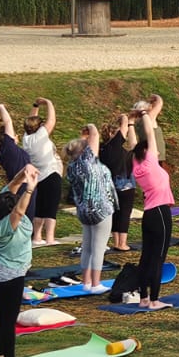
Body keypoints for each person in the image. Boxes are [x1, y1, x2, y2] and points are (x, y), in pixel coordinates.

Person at [122, 96, 174, 310]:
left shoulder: (137, 165)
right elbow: (151, 134)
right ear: (150, 153)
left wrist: (131, 122)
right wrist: (144, 115)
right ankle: (154, 300)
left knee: (147, 256)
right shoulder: (152, 160)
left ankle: (144, 297)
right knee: (158, 258)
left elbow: (134, 144)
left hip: (149, 215)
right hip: (161, 213)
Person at [0, 166, 37, 357]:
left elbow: (13, 185)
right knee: (8, 320)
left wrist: (23, 172)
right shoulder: (8, 225)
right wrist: (29, 189)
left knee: (0, 316)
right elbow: (19, 211)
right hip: (9, 276)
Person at [65, 125, 118, 292]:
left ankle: (86, 282)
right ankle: (95, 284)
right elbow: (95, 134)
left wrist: (82, 137)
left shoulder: (72, 167)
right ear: (84, 151)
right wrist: (90, 128)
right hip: (100, 209)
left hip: (84, 211)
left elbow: (87, 142)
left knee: (87, 247)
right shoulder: (89, 161)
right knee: (99, 248)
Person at [21, 98, 62, 246]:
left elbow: (30, 120)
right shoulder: (41, 135)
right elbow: (52, 120)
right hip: (51, 174)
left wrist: (36, 105)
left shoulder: (26, 138)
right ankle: (50, 238)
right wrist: (49, 102)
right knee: (51, 208)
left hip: (38, 177)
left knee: (40, 208)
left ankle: (37, 237)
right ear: (39, 127)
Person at [99, 116, 135, 253]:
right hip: (124, 184)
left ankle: (116, 242)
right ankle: (122, 243)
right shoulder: (114, 146)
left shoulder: (102, 148)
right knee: (125, 213)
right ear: (111, 135)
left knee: (115, 213)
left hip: (109, 184)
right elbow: (124, 128)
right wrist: (125, 118)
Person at [0, 104, 35, 184]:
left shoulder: (2, 151)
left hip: (16, 185)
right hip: (24, 186)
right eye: (14, 134)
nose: (16, 135)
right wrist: (1, 107)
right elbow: (8, 122)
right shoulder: (9, 147)